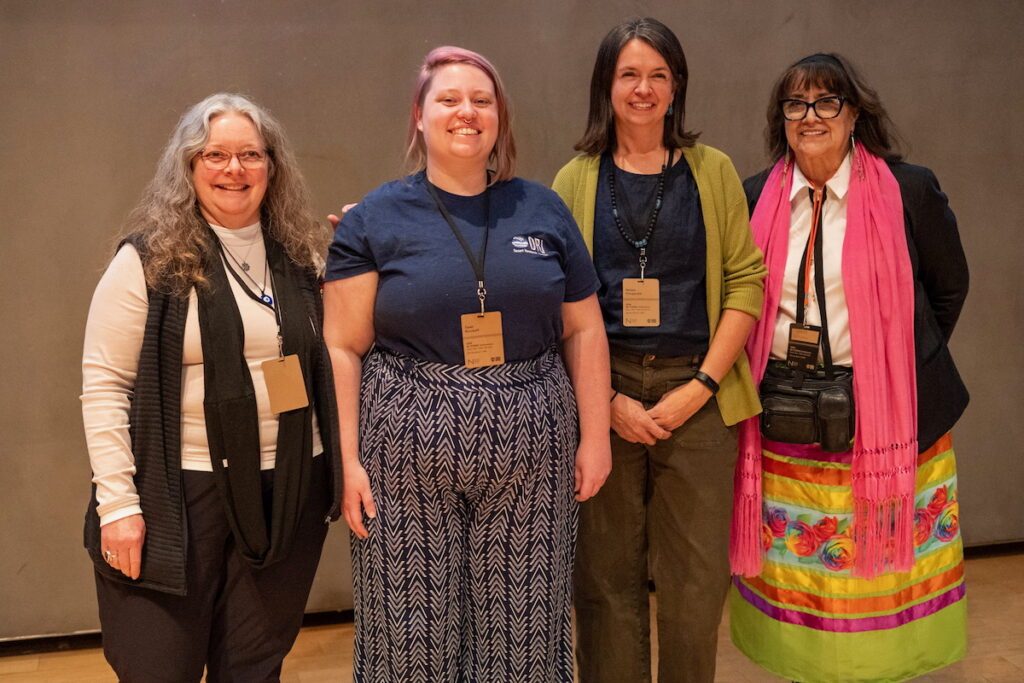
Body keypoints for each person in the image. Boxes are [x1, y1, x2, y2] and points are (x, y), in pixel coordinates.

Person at [323, 46, 611, 682]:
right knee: (409, 633)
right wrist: (346, 461)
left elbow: (585, 328)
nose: (467, 112)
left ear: (499, 118)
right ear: (419, 115)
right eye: (449, 99)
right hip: (404, 440)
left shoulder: (542, 209)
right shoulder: (373, 219)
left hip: (533, 436)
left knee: (525, 632)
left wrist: (595, 436)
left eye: (482, 101)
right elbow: (342, 345)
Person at [81, 93, 341, 681]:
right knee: (157, 666)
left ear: (272, 166)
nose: (234, 169)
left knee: (253, 668)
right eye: (215, 155)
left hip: (288, 489)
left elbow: (342, 353)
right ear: (189, 166)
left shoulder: (302, 256)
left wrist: (359, 262)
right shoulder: (148, 261)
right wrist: (118, 504)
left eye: (250, 154)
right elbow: (104, 386)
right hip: (179, 495)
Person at [729, 53, 969, 682]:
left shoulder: (909, 189)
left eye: (826, 102)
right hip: (785, 419)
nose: (810, 116)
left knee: (879, 576)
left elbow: (949, 287)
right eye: (796, 104)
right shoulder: (754, 196)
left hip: (889, 421)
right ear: (781, 118)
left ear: (854, 113)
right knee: (803, 573)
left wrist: (896, 368)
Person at [552, 18, 767, 683]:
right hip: (603, 395)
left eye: (657, 75)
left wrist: (701, 386)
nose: (643, 89)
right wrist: (607, 401)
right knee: (603, 583)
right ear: (606, 85)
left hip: (698, 396)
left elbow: (746, 281)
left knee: (696, 586)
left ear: (676, 87)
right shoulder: (574, 179)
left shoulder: (713, 170)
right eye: (629, 74)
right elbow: (555, 302)